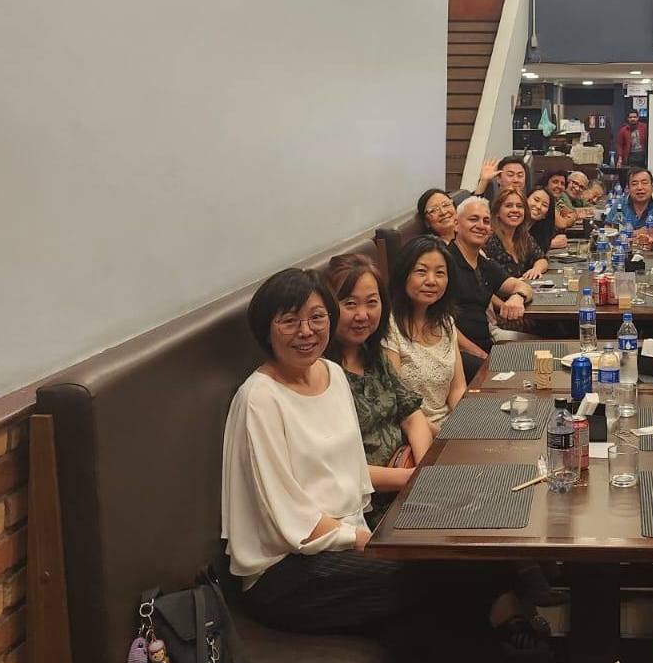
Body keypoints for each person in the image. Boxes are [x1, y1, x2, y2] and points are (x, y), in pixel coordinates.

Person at [221, 268, 551, 660]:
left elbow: (351, 468)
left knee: (456, 571)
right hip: (287, 571)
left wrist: (367, 534)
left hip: (347, 536)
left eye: (316, 317)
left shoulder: (331, 374)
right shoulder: (259, 400)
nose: (306, 331)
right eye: (289, 321)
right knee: (437, 577)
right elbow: (290, 518)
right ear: (266, 329)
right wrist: (370, 542)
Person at [324, 254, 435, 524]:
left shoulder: (373, 356)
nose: (362, 315)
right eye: (350, 304)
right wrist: (412, 479)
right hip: (367, 507)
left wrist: (423, 471)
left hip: (408, 481)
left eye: (372, 302)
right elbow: (336, 468)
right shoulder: (322, 374)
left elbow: (412, 415)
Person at [449, 197, 535, 380]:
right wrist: (482, 357)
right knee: (526, 372)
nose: (481, 225)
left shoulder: (484, 264)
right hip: (457, 354)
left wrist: (517, 297)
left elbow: (522, 286)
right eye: (473, 219)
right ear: (456, 225)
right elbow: (441, 324)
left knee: (541, 353)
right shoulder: (445, 263)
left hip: (487, 342)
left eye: (486, 221)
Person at [385, 236, 466, 426]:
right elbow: (399, 404)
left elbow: (457, 389)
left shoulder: (446, 322)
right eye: (421, 271)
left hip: (450, 426)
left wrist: (465, 427)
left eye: (440, 273)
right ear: (403, 275)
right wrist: (443, 436)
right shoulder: (389, 327)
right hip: (413, 432)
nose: (431, 281)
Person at [485, 188, 548, 280]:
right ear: (497, 212)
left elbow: (541, 259)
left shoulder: (523, 236)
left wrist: (536, 269)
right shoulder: (489, 239)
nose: (515, 210)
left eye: (519, 206)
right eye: (508, 206)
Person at [623, 167, 653, 240]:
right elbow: (608, 231)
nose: (639, 187)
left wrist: (626, 235)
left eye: (644, 183)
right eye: (634, 184)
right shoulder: (620, 203)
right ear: (628, 189)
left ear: (652, 188)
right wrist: (635, 232)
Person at [526, 187, 568, 251]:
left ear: (545, 215)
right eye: (536, 200)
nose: (539, 206)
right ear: (525, 199)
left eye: (544, 205)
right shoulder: (513, 225)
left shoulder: (539, 233)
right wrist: (552, 244)